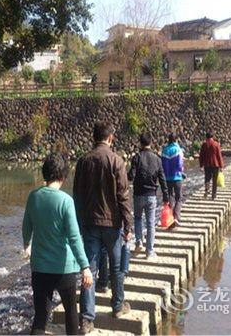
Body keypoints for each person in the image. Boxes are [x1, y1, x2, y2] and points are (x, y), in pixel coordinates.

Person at [22, 153, 93, 335]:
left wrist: (27, 245)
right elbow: (74, 237)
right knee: (70, 313)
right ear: (63, 175)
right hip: (64, 269)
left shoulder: (33, 197)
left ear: (45, 173)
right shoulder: (66, 201)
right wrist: (85, 266)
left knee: (40, 317)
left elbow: (26, 226)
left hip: (39, 268)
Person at [74, 121, 133, 335]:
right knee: (116, 267)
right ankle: (117, 307)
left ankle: (87, 320)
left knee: (89, 269)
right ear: (110, 138)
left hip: (89, 223)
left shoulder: (83, 161)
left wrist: (78, 224)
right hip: (112, 223)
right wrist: (128, 223)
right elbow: (123, 196)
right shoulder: (116, 161)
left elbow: (77, 196)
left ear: (94, 137)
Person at [128, 132, 169, 260]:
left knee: (138, 218)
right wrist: (166, 197)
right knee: (151, 223)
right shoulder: (157, 159)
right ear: (151, 143)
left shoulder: (137, 157)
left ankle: (139, 242)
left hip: (138, 194)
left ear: (140, 143)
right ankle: (149, 252)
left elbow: (130, 176)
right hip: (151, 195)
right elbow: (162, 179)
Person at [162, 133, 185, 226]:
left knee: (170, 196)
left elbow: (162, 164)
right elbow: (180, 164)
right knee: (179, 198)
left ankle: (170, 217)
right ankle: (176, 216)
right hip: (177, 177)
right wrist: (181, 171)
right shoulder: (178, 149)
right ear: (176, 140)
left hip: (167, 177)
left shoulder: (164, 150)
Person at [199, 132, 224, 200]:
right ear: (212, 137)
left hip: (207, 165)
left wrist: (201, 165)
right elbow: (219, 155)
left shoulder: (204, 145)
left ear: (206, 137)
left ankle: (206, 192)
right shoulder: (216, 144)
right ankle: (214, 195)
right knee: (214, 180)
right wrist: (221, 166)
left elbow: (201, 156)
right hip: (215, 164)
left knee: (207, 179)